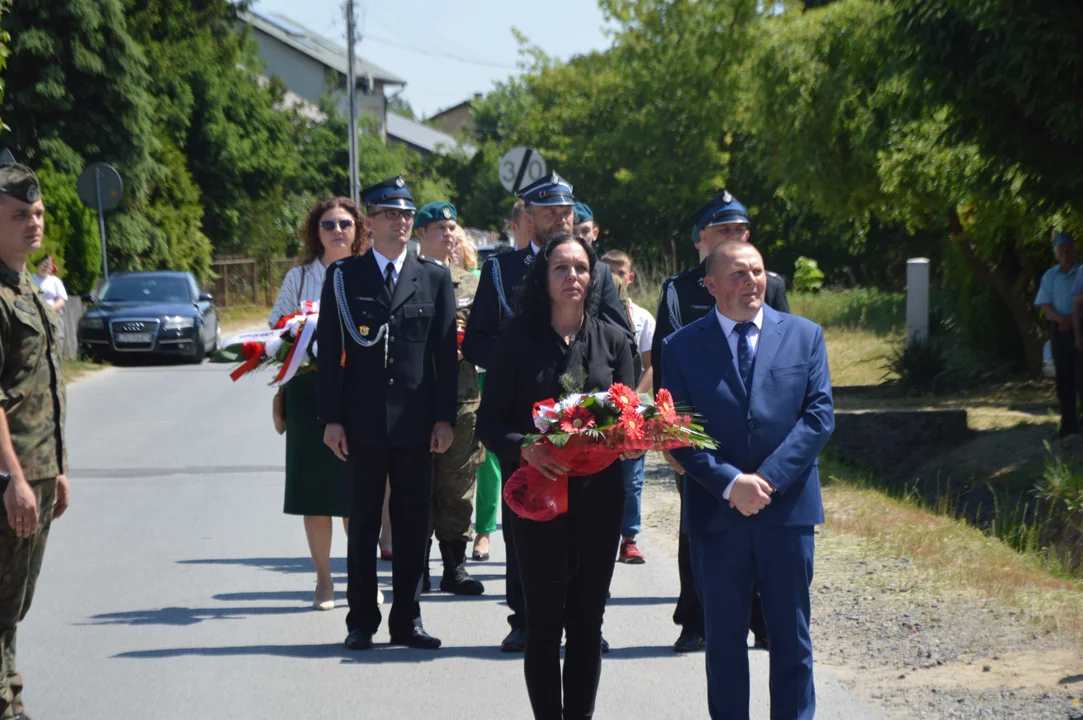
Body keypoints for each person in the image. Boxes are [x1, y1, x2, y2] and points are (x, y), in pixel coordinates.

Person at [463, 171, 634, 653]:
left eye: (567, 211)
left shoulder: (594, 268)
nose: (562, 218)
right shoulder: (502, 269)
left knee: (590, 536)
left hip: (589, 423)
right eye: (551, 211)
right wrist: (515, 358)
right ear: (529, 217)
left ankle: (587, 624)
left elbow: (619, 338)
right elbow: (478, 338)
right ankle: (527, 618)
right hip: (527, 418)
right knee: (527, 535)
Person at [664, 240, 833, 720]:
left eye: (757, 272)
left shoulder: (805, 336)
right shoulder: (681, 346)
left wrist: (766, 481)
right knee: (723, 643)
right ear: (711, 285)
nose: (750, 282)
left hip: (787, 514)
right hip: (718, 517)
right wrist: (729, 484)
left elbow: (818, 418)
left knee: (791, 638)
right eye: (737, 274)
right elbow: (675, 431)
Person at [477, 233, 641, 720]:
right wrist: (526, 446)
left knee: (588, 624)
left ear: (594, 278)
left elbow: (630, 416)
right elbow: (489, 423)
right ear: (543, 278)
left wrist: (629, 439)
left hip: (599, 500)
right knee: (544, 625)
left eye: (582, 269)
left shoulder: (613, 339)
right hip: (538, 500)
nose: (573, 277)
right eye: (561, 268)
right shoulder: (515, 341)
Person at [317, 175, 457, 651]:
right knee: (363, 524)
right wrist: (331, 419)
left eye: (406, 215)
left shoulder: (433, 277)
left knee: (414, 524)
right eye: (390, 214)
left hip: (418, 425)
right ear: (369, 223)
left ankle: (408, 618)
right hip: (362, 422)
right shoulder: (344, 277)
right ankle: (361, 620)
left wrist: (446, 419)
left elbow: (443, 356)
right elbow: (331, 351)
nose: (400, 223)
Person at [652, 190, 788, 653]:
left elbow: (785, 359)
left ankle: (762, 621)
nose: (734, 238)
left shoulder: (773, 284)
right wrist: (673, 437)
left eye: (740, 231)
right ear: (702, 237)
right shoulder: (680, 288)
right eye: (724, 231)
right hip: (702, 438)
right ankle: (695, 620)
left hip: (759, 436)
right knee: (699, 528)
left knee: (761, 530)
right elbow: (666, 366)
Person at [269, 197, 365, 610]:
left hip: (358, 391)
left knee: (355, 493)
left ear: (358, 229)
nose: (337, 230)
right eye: (328, 224)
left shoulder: (368, 272)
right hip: (308, 393)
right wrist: (299, 332)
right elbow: (274, 332)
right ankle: (323, 580)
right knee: (315, 494)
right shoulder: (299, 276)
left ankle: (360, 578)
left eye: (345, 223)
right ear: (316, 231)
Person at [0, 159, 69, 720]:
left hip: (39, 469)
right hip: (11, 476)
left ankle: (10, 694)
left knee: (14, 600)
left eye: (38, 212)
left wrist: (57, 469)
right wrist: (14, 479)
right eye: (20, 213)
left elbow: (41, 385)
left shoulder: (27, 285)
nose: (34, 222)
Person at [413, 201, 486, 595]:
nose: (448, 233)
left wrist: (466, 346)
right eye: (439, 227)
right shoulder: (406, 279)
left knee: (458, 485)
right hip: (414, 400)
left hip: (461, 399)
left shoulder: (472, 284)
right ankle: (418, 564)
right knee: (416, 485)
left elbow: (489, 336)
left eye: (453, 226)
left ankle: (454, 567)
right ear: (420, 234)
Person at [600, 250, 655, 564]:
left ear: (630, 277)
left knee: (632, 476)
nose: (615, 277)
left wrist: (634, 398)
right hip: (602, 406)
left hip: (635, 405)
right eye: (608, 272)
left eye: (620, 272)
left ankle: (629, 537)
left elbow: (651, 365)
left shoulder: (643, 317)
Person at [1039, 230, 1082, 436]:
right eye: (1061, 249)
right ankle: (1068, 425)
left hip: (1080, 329)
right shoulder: (1049, 276)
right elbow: (1045, 305)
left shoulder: (1081, 272)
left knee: (1081, 376)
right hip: (1059, 330)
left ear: (1074, 250)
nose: (1065, 252)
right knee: (1063, 378)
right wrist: (1062, 320)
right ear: (1055, 252)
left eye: (1068, 248)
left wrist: (1074, 323)